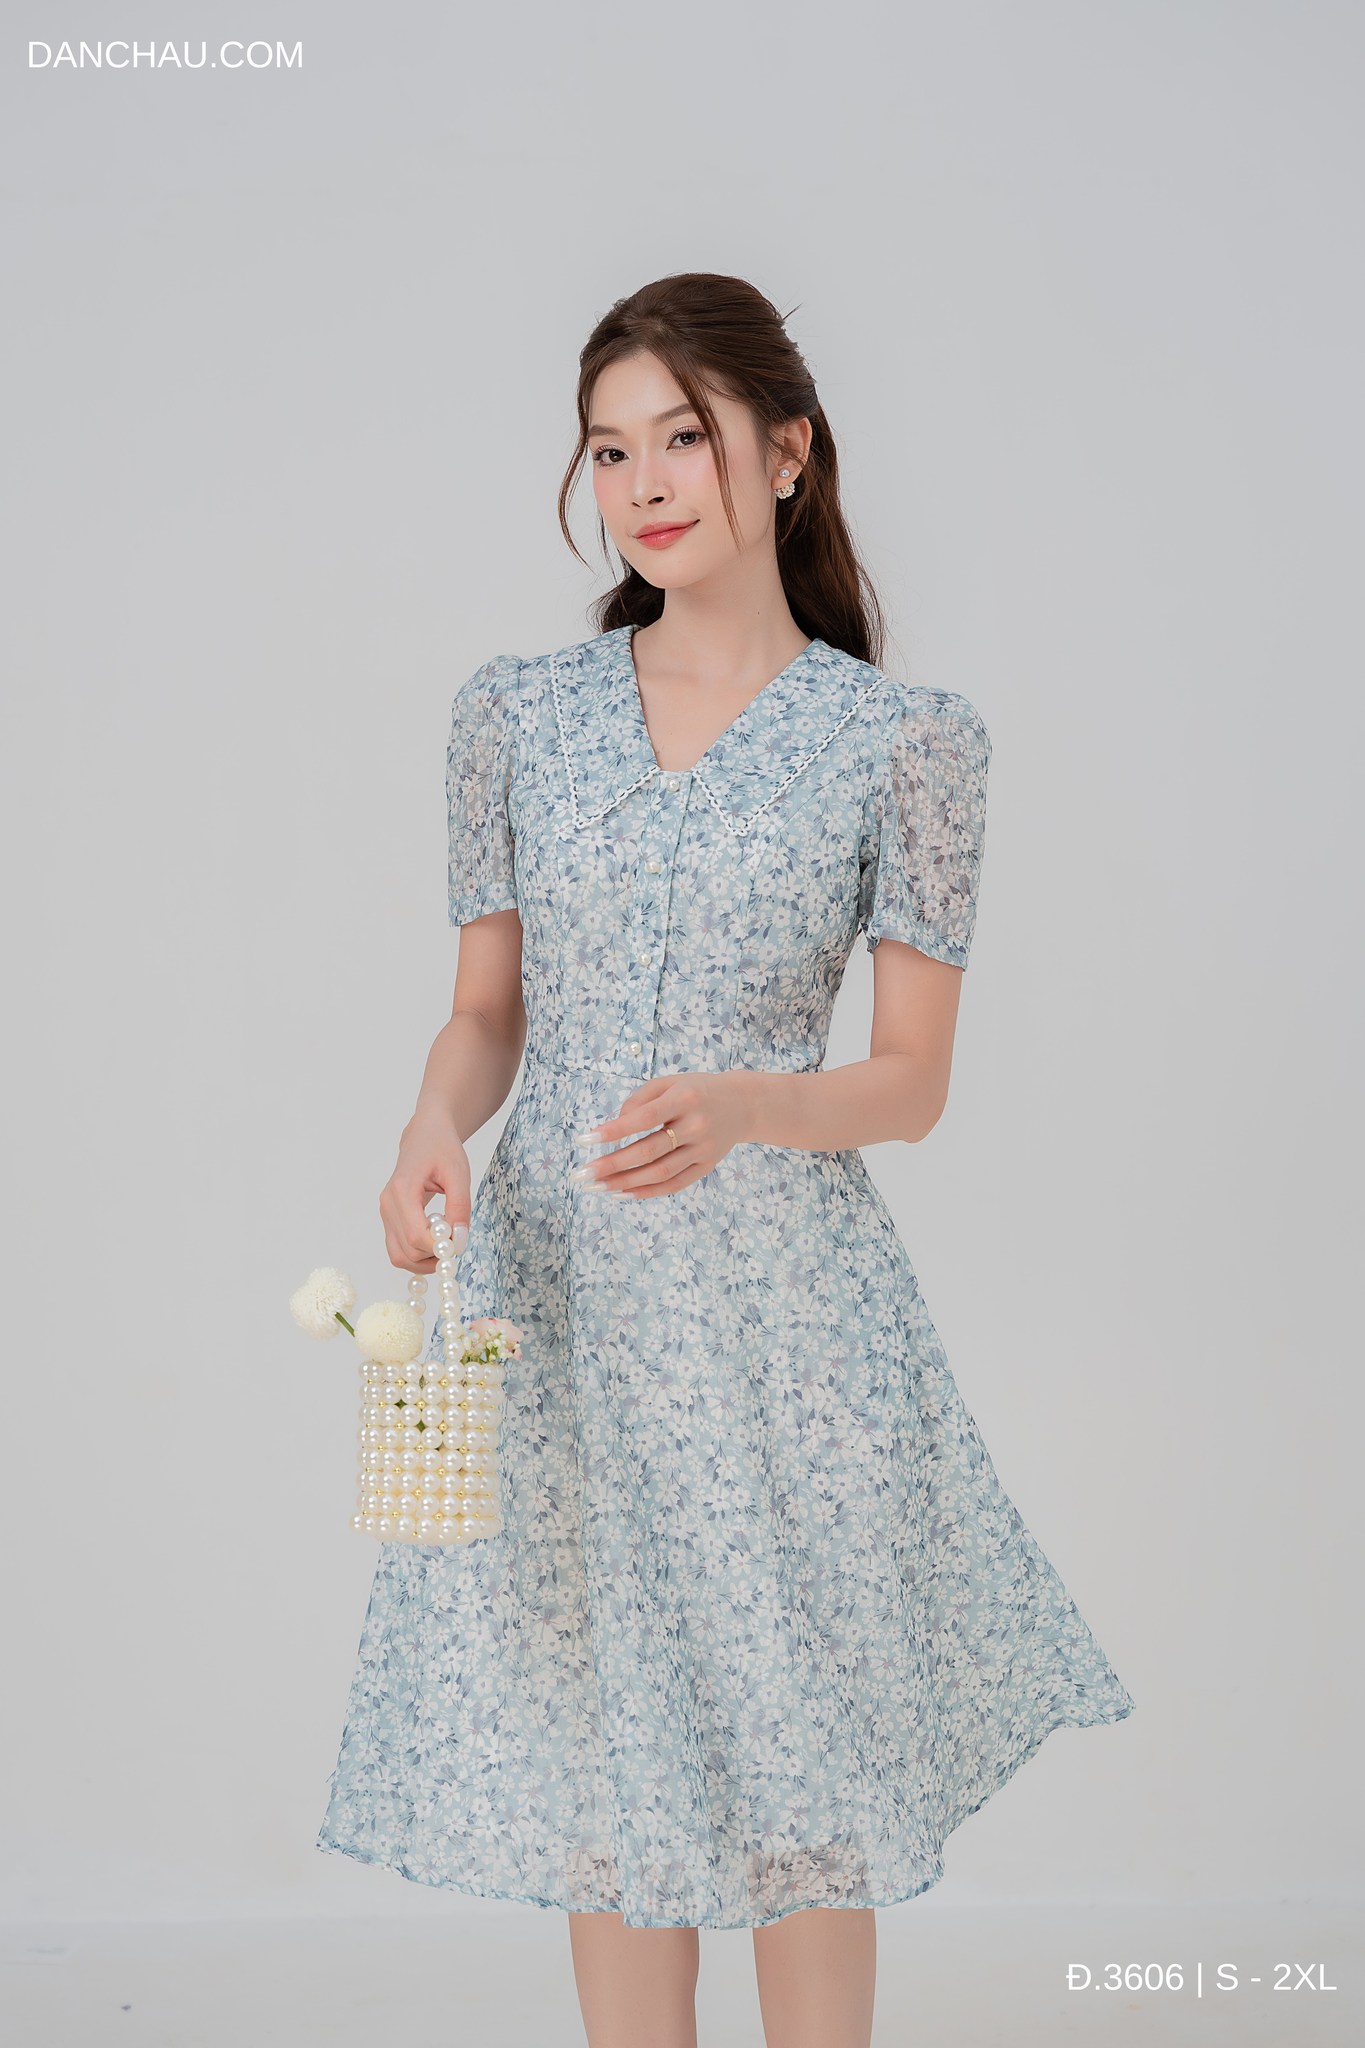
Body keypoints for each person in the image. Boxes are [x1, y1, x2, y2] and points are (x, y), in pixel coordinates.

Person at [315, 271, 1136, 2048]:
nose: (641, 484)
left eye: (679, 437)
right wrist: (431, 1124)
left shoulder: (905, 744)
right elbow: (485, 1015)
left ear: (785, 452)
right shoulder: (513, 715)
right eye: (608, 451)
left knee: (800, 1755)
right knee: (609, 1759)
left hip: (786, 1318)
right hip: (565, 1297)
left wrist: (750, 1105)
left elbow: (910, 1083)